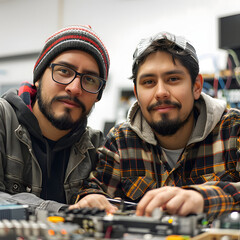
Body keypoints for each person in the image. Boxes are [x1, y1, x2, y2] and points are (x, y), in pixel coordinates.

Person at [71, 32, 240, 222]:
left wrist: (203, 198)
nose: (161, 92)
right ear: (136, 92)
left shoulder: (233, 130)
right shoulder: (121, 141)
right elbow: (95, 189)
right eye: (149, 82)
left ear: (196, 87)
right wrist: (92, 198)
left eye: (173, 79)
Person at [0, 25, 110, 213]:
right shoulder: (3, 119)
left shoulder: (99, 148)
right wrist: (61, 211)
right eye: (64, 71)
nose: (75, 88)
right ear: (39, 77)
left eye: (90, 79)